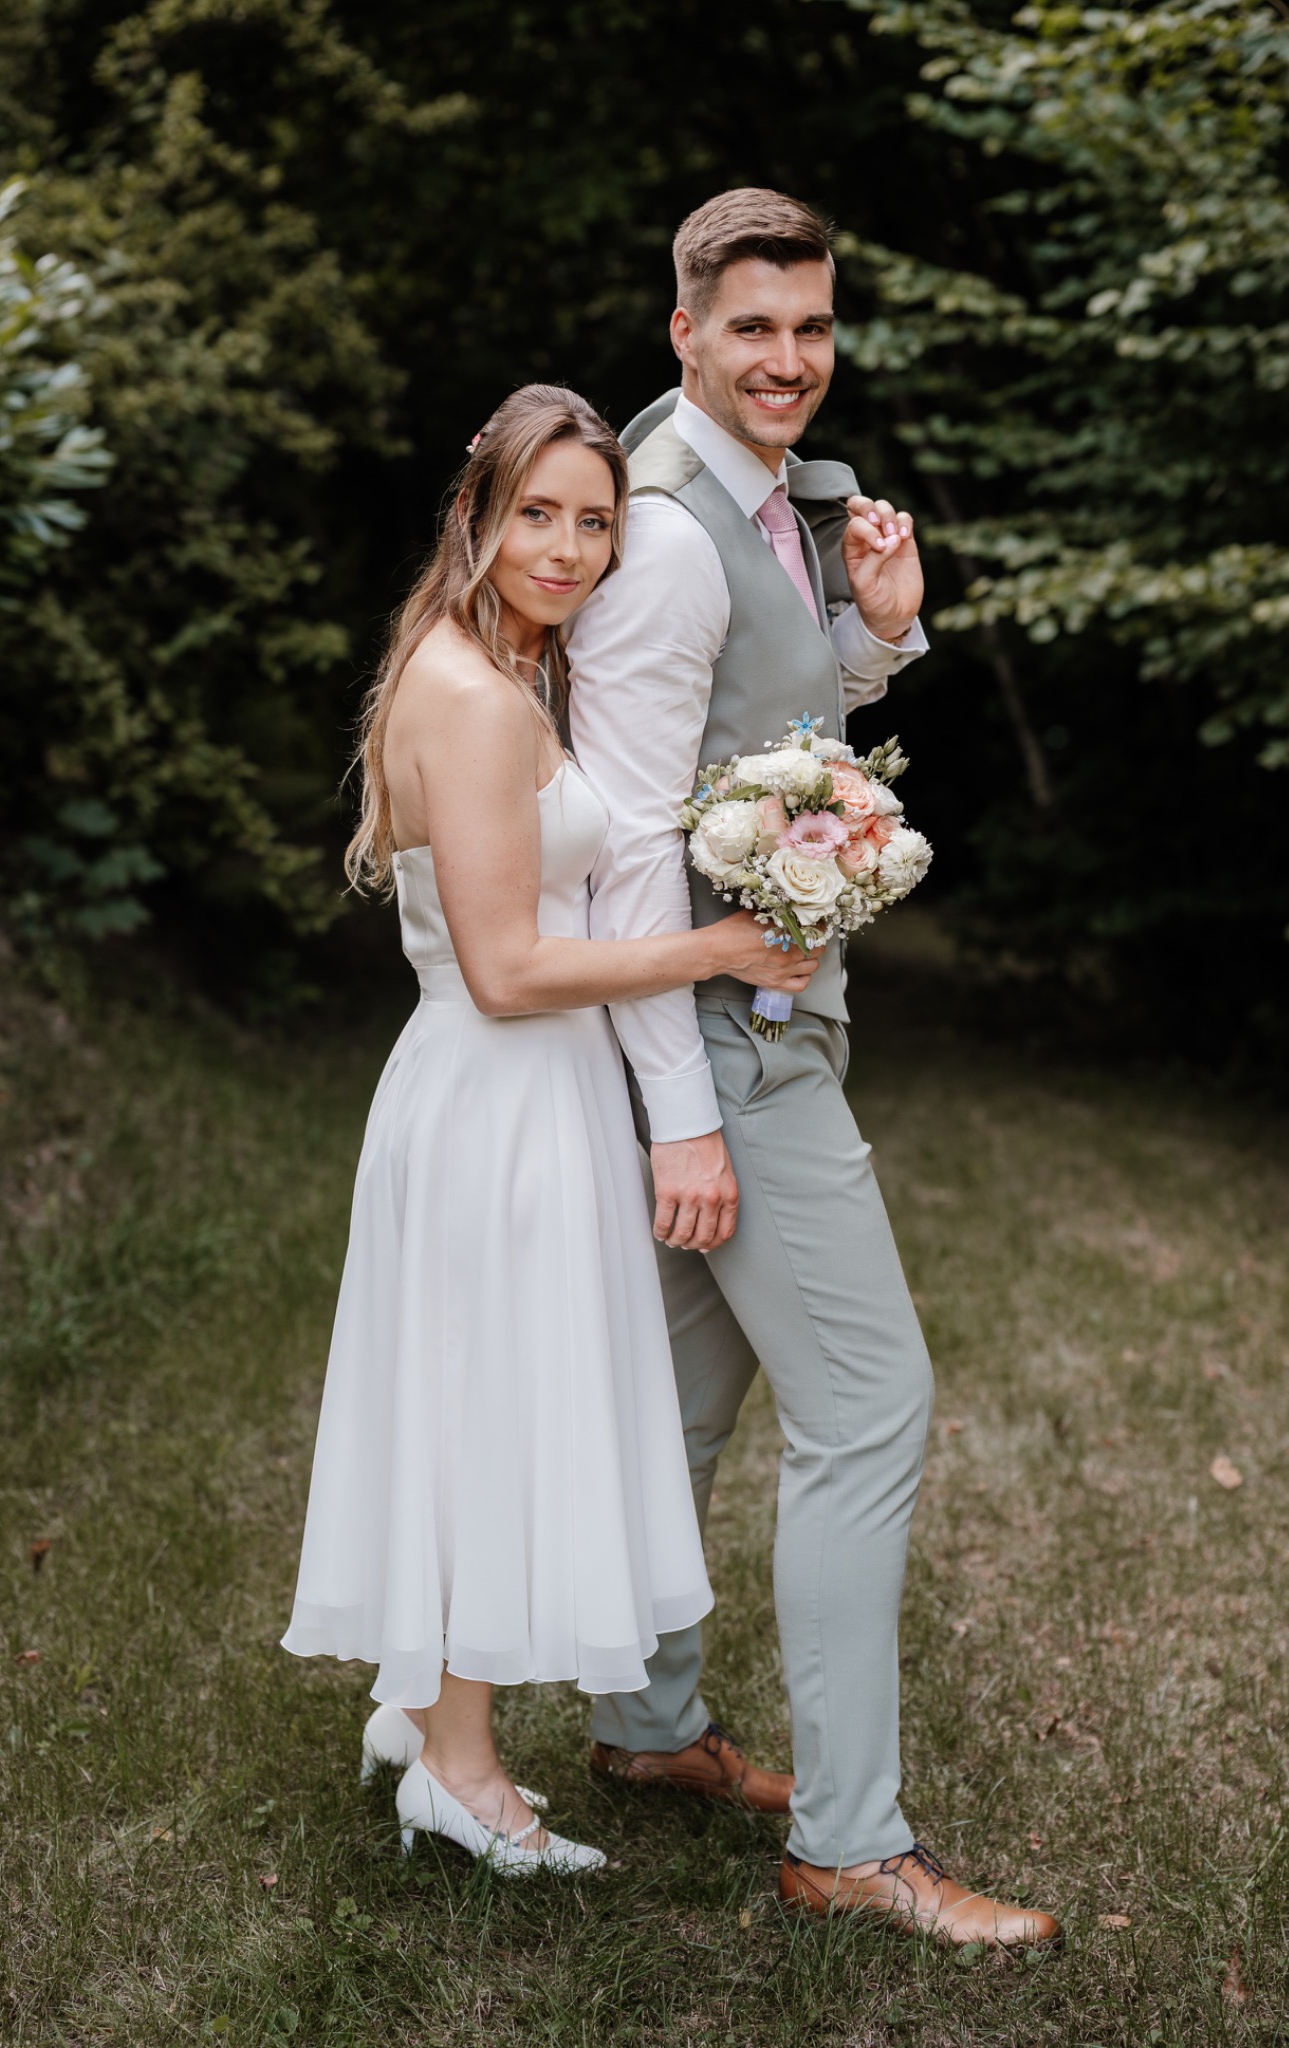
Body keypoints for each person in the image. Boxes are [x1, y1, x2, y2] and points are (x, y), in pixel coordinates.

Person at [566, 190, 1062, 1949]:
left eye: (814, 327)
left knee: (687, 1406)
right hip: (727, 1049)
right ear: (683, 333)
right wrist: (684, 1113)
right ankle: (850, 1842)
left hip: (749, 1028)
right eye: (754, 328)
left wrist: (870, 636)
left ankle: (641, 1726)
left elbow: (758, 752)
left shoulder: (771, 504)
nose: (791, 360)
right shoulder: (668, 534)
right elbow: (629, 843)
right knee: (869, 1412)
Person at [279, 383, 820, 1875]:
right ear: (478, 515)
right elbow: (511, 970)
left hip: (523, 1092)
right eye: (540, 516)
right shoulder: (467, 696)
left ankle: (415, 1706)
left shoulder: (501, 672)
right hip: (497, 1095)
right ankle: (461, 1779)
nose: (570, 549)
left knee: (471, 1401)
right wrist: (713, 953)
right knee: (485, 1421)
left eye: (596, 521)